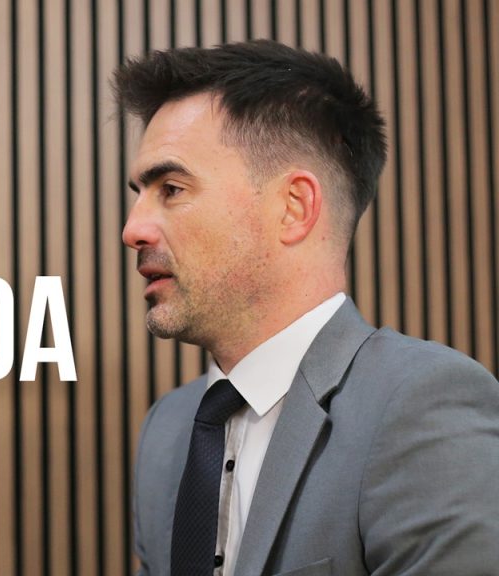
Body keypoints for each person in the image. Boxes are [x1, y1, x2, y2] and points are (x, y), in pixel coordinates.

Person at [116, 40, 499, 576]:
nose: (133, 229)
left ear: (294, 207)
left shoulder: (419, 406)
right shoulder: (168, 429)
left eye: (172, 189)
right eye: (139, 193)